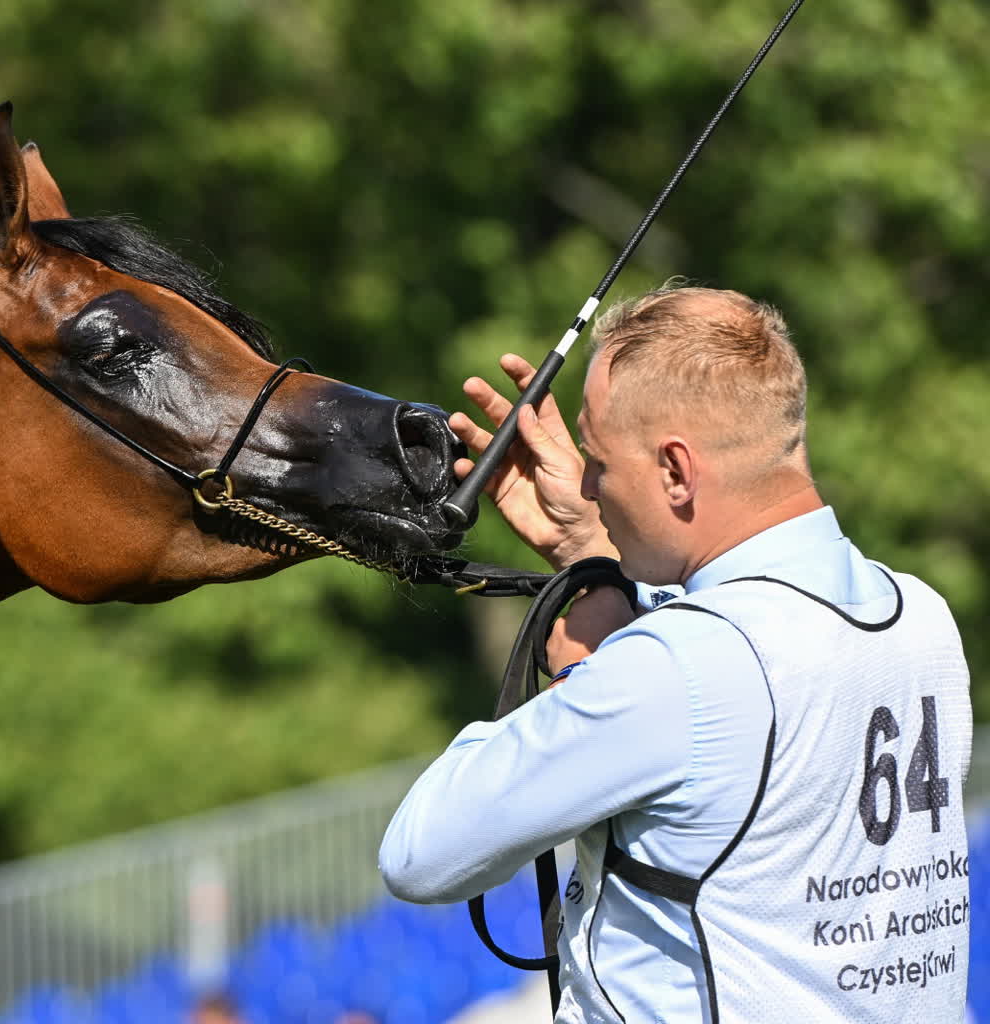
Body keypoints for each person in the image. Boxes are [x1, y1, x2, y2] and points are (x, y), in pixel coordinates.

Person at [379, 284, 971, 1022]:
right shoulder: (921, 616)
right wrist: (591, 551)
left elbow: (420, 854)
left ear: (675, 472)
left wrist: (586, 667)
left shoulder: (672, 668)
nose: (587, 485)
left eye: (597, 461)